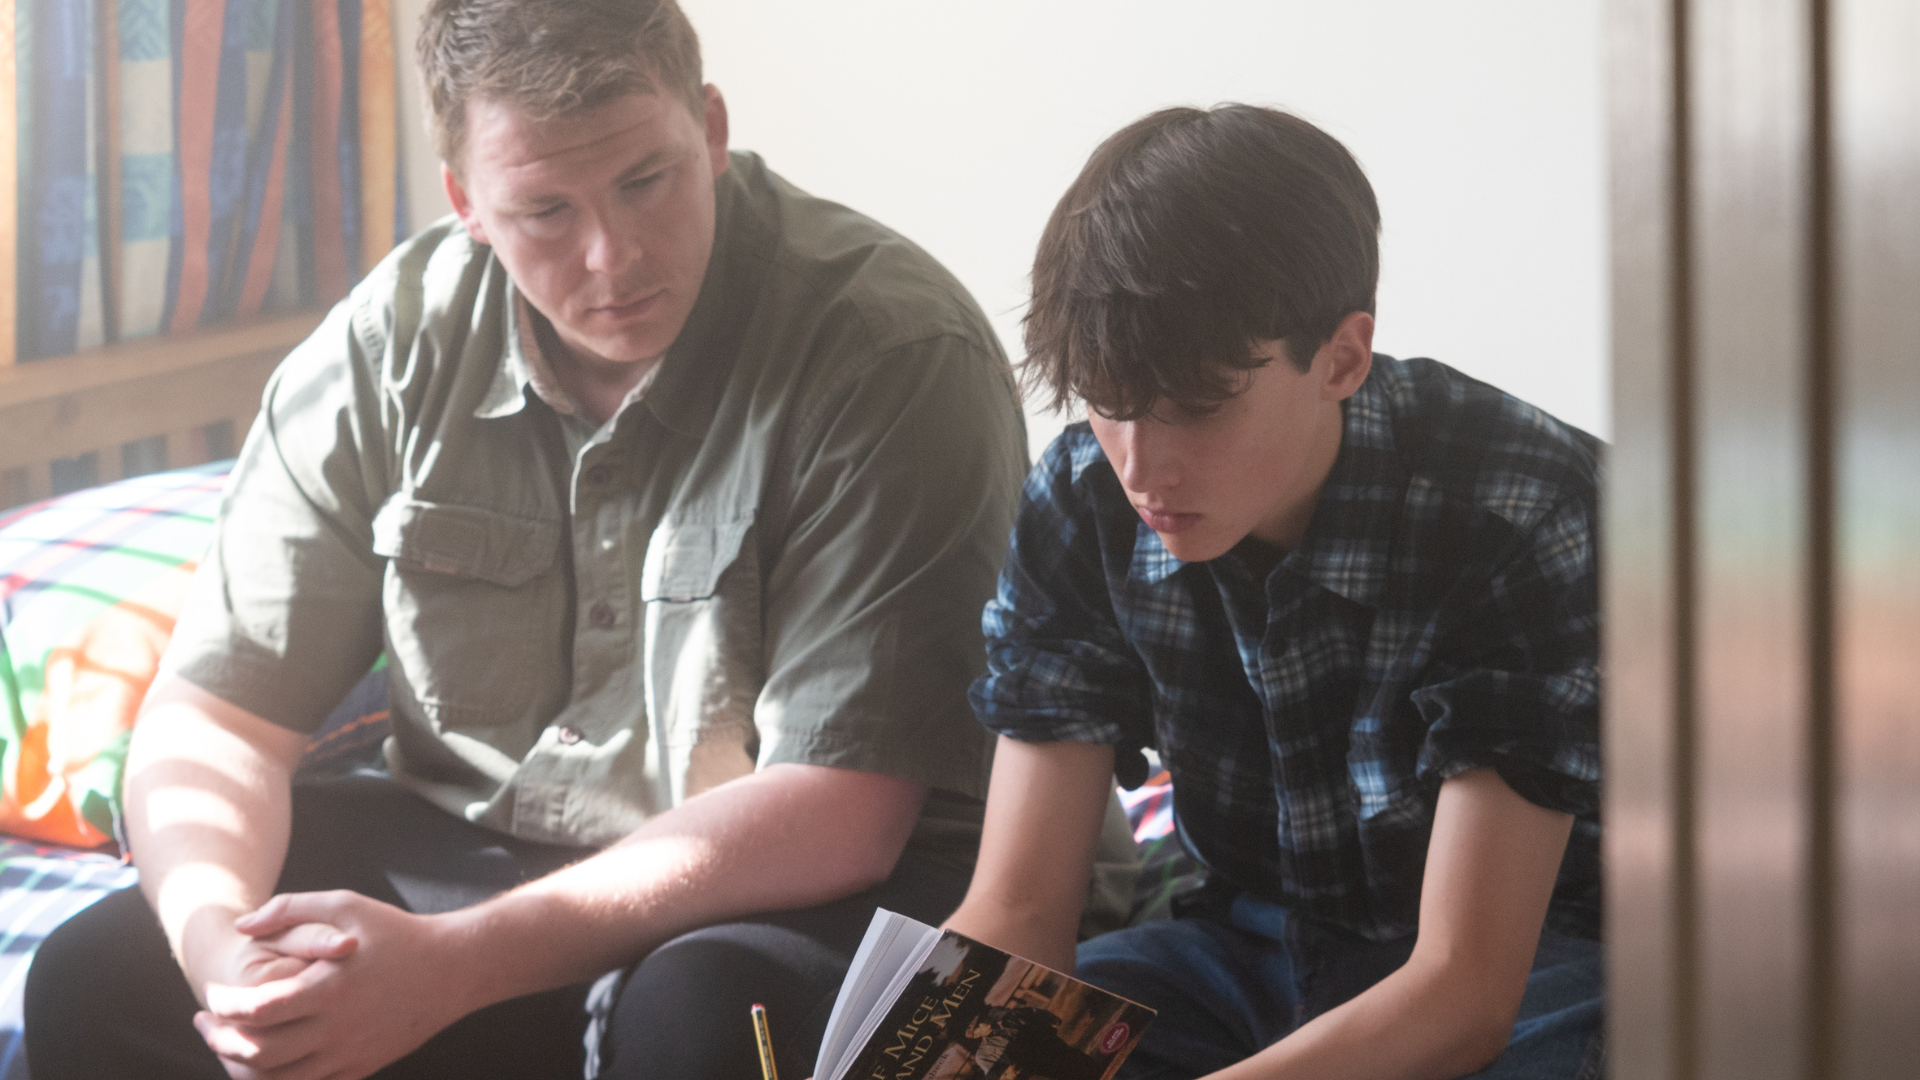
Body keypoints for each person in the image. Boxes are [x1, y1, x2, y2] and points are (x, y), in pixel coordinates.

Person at [23, 2, 1132, 1078]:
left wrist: (453, 969)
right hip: (493, 846)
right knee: (101, 978)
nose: (612, 257)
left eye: (645, 181)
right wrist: (225, 956)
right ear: (464, 198)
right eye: (545, 212)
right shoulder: (386, 345)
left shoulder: (892, 351)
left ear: (709, 128)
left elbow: (840, 814)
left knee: (695, 1025)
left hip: (835, 870)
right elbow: (216, 723)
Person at [945, 104, 1604, 1080]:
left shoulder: (1519, 511)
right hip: (1251, 944)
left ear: (1341, 357)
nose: (1141, 467)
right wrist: (930, 1054)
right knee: (1025, 1040)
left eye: (1197, 410)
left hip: (1558, 956)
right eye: (1108, 402)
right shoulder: (1082, 499)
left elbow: (1466, 990)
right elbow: (1018, 907)